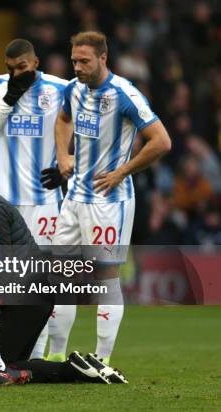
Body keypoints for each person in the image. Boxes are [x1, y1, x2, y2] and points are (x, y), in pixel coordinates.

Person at [0, 155, 127, 385]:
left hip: (28, 294)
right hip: (24, 294)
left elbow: (3, 260)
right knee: (4, 367)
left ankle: (76, 369)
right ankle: (81, 367)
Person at [48, 31, 171, 364]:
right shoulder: (73, 90)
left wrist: (122, 172)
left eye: (84, 61)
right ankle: (56, 356)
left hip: (109, 200)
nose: (78, 67)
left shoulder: (124, 93)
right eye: (74, 60)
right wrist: (62, 155)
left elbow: (161, 141)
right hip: (73, 198)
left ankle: (101, 359)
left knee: (105, 277)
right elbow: (62, 119)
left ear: (104, 58)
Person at [0, 38, 70, 360]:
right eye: (11, 69)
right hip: (3, 204)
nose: (16, 74)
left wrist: (68, 167)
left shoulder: (60, 88)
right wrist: (8, 101)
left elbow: (87, 134)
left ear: (36, 63)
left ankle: (35, 357)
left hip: (45, 201)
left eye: (23, 69)